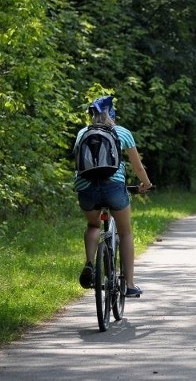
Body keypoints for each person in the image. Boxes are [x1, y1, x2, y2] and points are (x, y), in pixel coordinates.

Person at [73, 95, 153, 297]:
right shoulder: (122, 132)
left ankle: (90, 263)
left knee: (93, 226)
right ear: (112, 113)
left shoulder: (82, 133)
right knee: (125, 232)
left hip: (86, 189)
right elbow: (137, 166)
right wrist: (146, 184)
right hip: (114, 188)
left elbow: (78, 164)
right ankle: (131, 285)